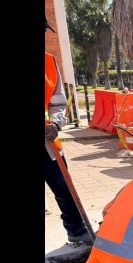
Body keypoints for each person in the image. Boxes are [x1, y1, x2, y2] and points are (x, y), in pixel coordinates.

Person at [45, 16, 93, 244]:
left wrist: (56, 124)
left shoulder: (48, 62)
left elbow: (58, 102)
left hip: (47, 142)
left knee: (64, 188)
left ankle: (77, 231)